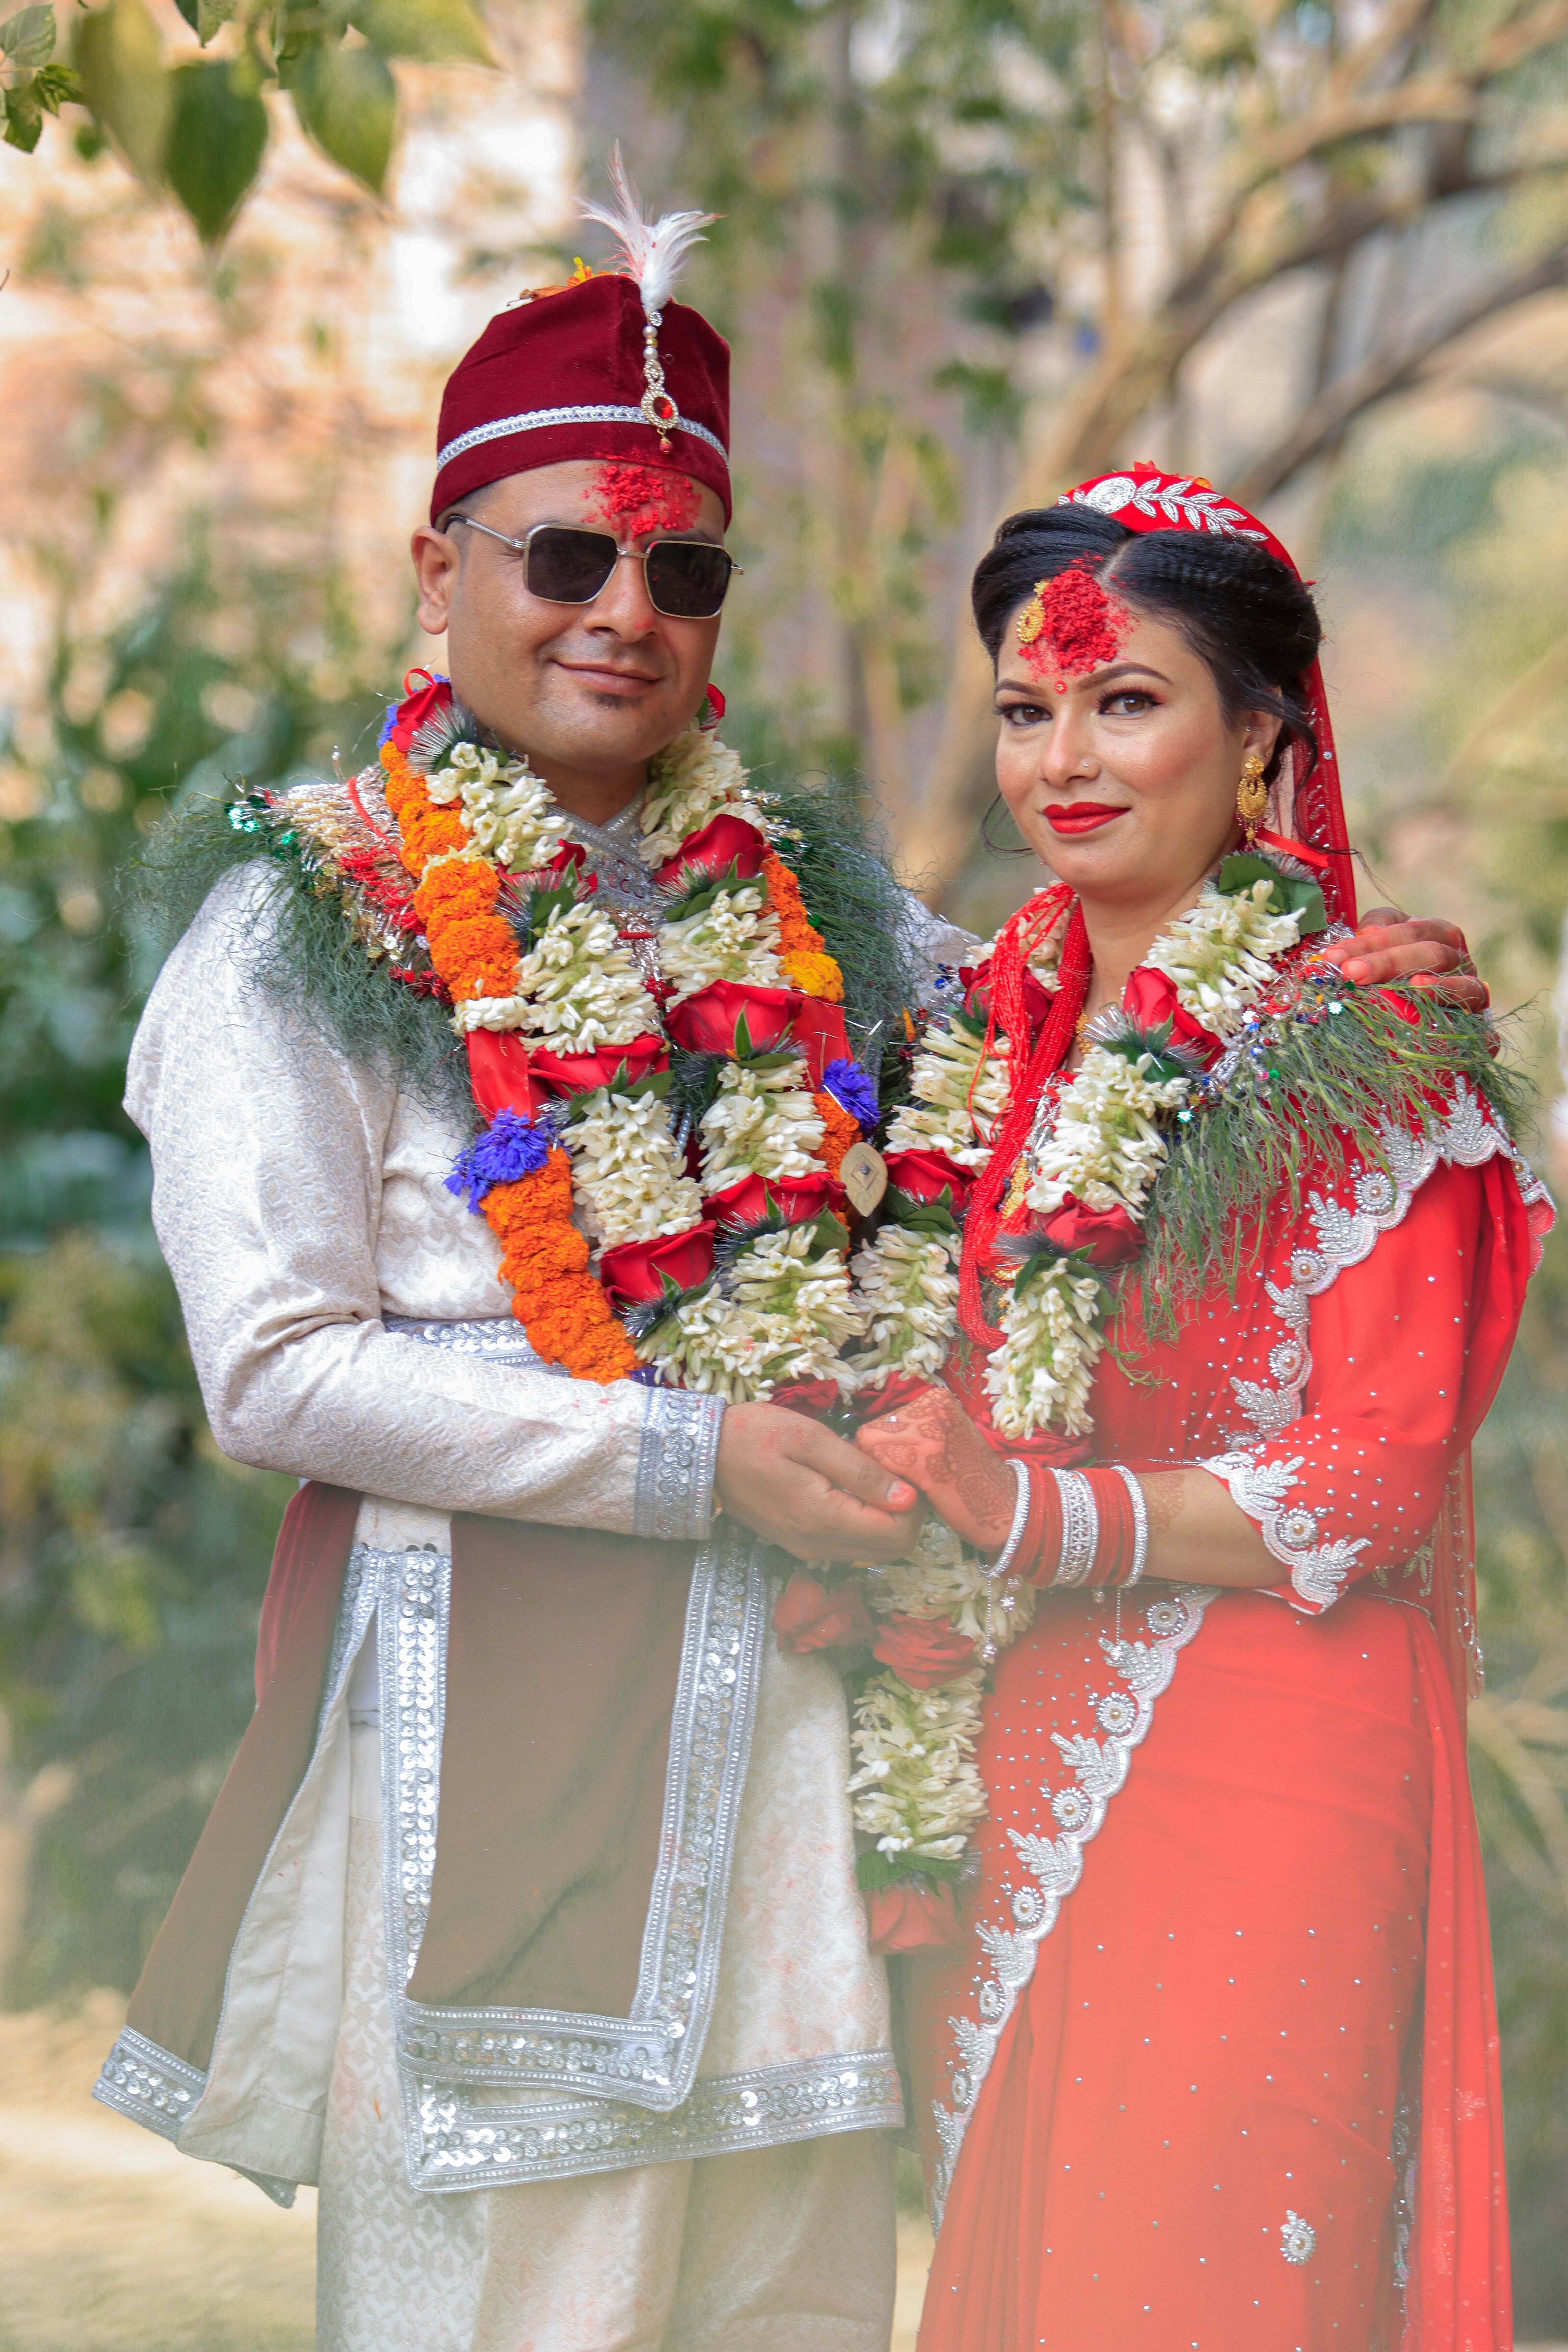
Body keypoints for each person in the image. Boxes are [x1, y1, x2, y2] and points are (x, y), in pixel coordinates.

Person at [88, 142, 1485, 2352]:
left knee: (791, 2313)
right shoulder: (302, 930)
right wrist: (688, 1456)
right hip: (501, 1785)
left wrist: (1310, 979)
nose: (620, 609)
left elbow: (1078, 1039)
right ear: (434, 568)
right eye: (562, 552)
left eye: (682, 563)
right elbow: (274, 1371)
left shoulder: (825, 918)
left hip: (810, 1827)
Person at [852, 465, 1550, 2352]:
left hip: (1268, 1768)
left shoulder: (1364, 1042)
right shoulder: (962, 1028)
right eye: (1025, 708)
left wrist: (1041, 1515)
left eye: (1125, 699)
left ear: (1260, 736)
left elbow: (1376, 1474)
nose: (1063, 756)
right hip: (997, 1752)